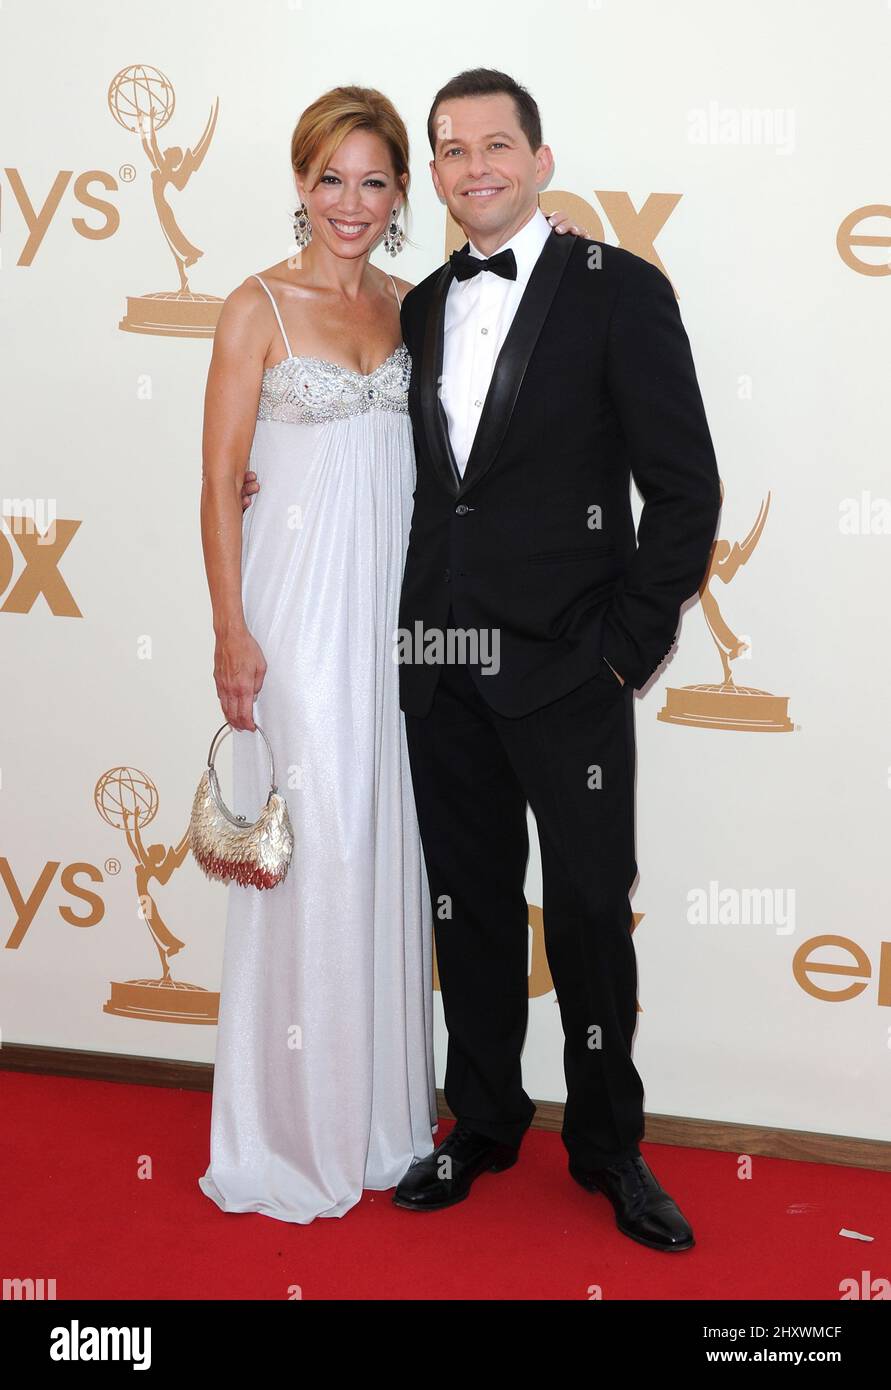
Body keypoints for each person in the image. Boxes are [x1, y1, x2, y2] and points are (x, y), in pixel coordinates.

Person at [388, 69, 721, 1253]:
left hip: (570, 668)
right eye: (450, 150)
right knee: (467, 905)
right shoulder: (420, 305)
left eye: (496, 144)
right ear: (433, 174)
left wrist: (621, 652)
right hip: (440, 659)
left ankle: (609, 1147)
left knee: (585, 913)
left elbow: (686, 490)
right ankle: (480, 1118)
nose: (473, 167)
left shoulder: (618, 289)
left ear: (538, 156)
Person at [196, 85, 437, 1223]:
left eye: (373, 180)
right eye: (330, 177)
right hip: (295, 622)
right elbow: (216, 483)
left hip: (397, 622)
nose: (349, 201)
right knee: (318, 848)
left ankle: (382, 1116)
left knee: (382, 845)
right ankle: (291, 1125)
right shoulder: (256, 307)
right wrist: (231, 630)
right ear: (301, 182)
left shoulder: (412, 307)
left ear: (401, 195)